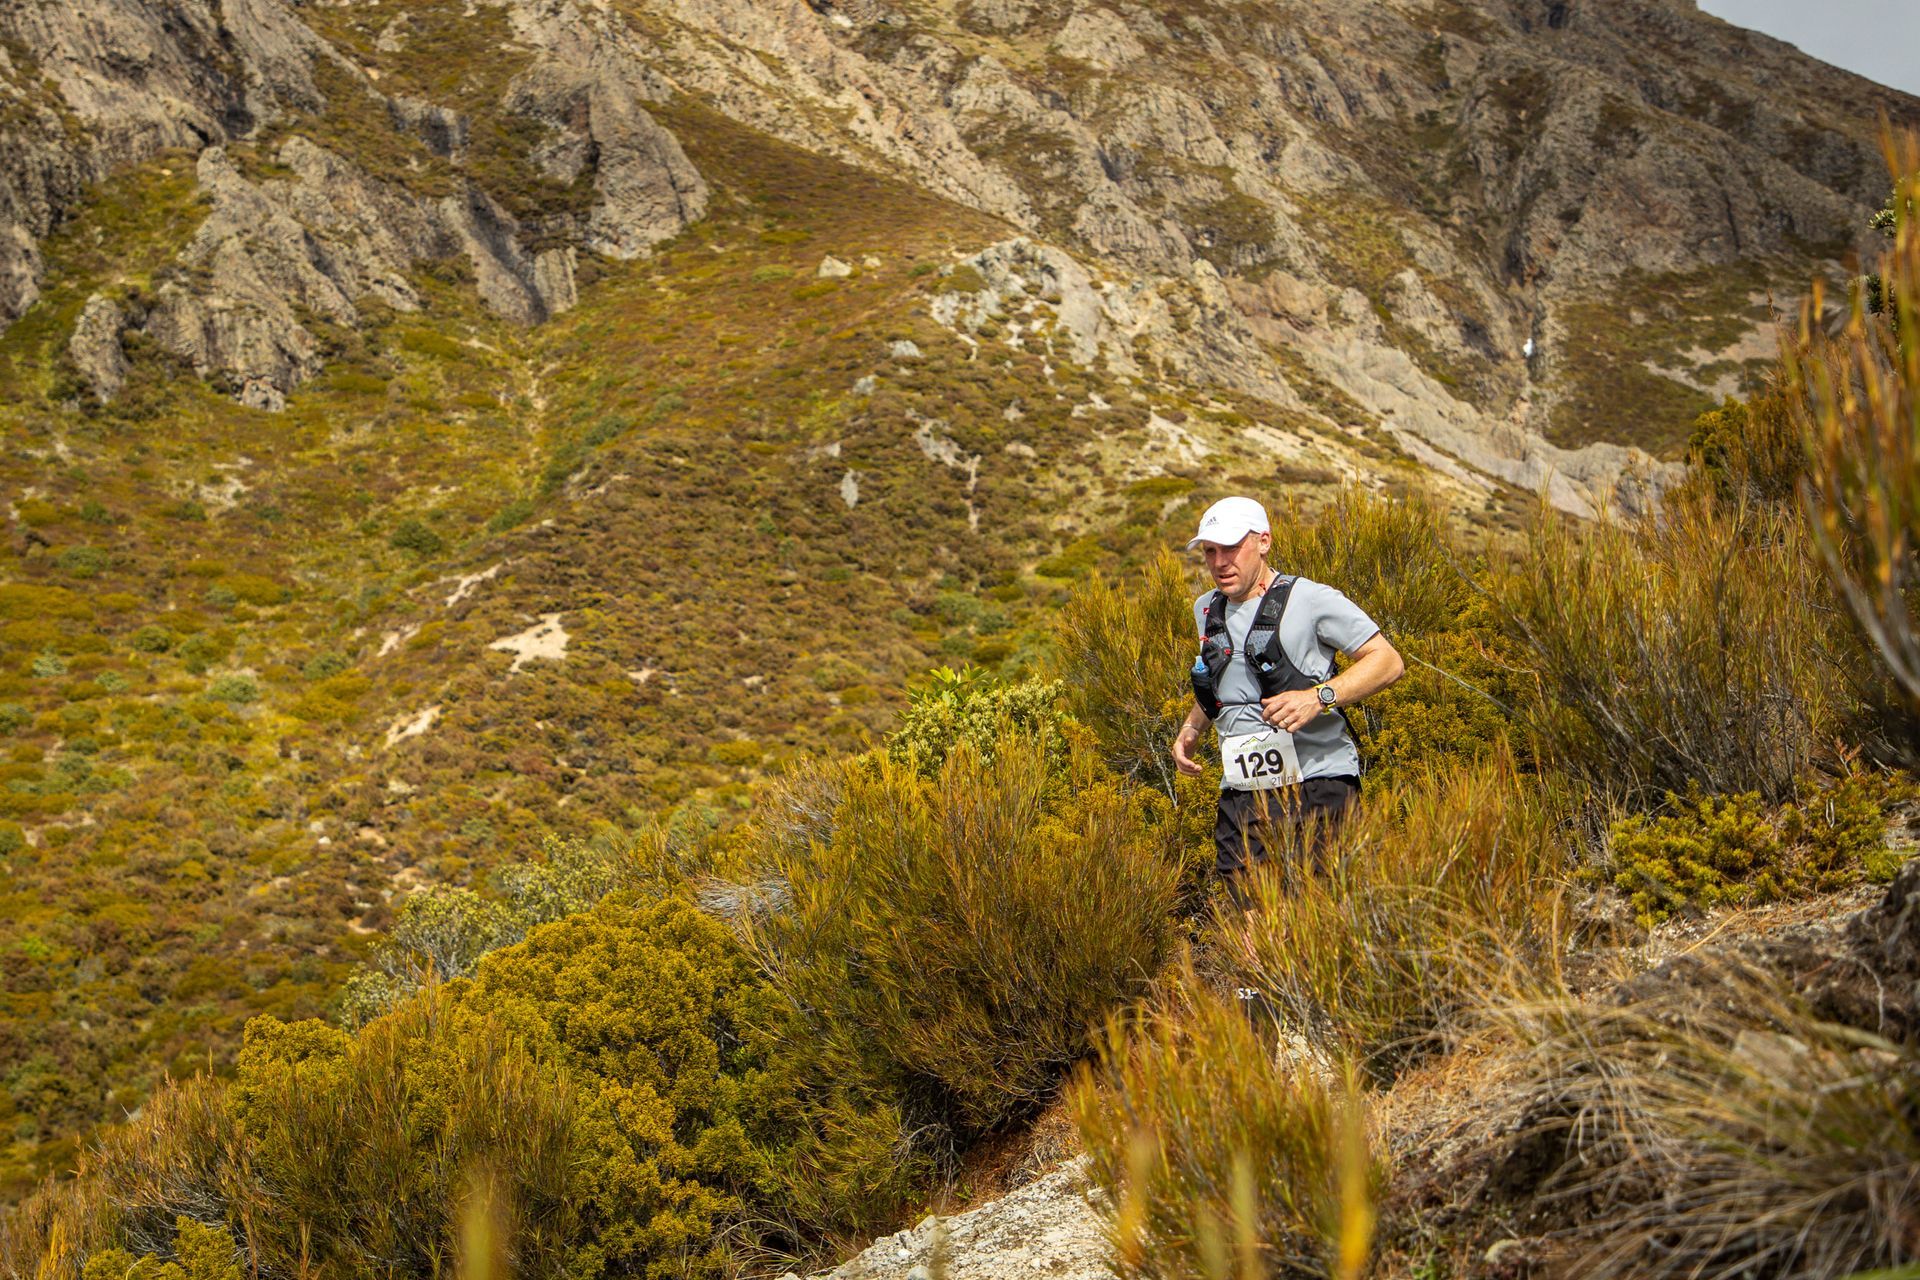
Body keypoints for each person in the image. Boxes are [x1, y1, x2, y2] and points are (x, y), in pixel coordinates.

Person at [1170, 496, 1405, 894]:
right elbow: (1225, 681)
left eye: (1231, 548)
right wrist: (1191, 729)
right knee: (1247, 913)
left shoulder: (1312, 599)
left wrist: (1319, 697)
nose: (1220, 562)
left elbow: (1387, 661)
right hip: (1243, 790)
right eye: (1210, 551)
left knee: (1323, 910)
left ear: (1263, 541)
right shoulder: (1205, 609)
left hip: (1319, 782)